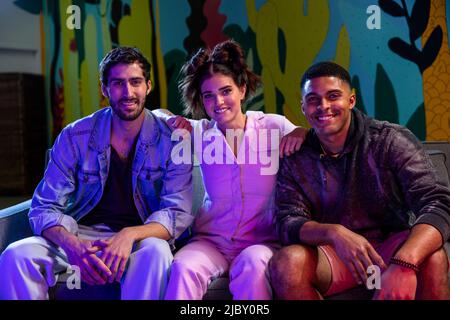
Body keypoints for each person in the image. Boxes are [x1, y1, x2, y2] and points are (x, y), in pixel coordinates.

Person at [0, 47, 193, 300]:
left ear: (148, 85)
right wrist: (73, 245)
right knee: (16, 255)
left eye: (135, 82)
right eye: (117, 83)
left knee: (156, 252)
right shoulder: (75, 136)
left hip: (140, 240)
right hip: (82, 235)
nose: (128, 93)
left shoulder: (173, 139)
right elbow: (43, 208)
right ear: (104, 88)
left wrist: (129, 234)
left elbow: (176, 214)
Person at [269, 61, 450, 300]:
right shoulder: (296, 155)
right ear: (303, 107)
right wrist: (334, 233)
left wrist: (404, 262)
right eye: (313, 99)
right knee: (287, 262)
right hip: (333, 257)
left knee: (434, 257)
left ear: (351, 101)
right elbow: (287, 221)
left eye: (333, 96)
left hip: (391, 248)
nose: (324, 106)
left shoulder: (390, 140)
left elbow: (438, 203)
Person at [158, 40, 307, 300]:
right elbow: (156, 114)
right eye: (208, 96)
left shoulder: (273, 126)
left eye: (226, 91)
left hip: (260, 242)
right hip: (210, 242)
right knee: (182, 268)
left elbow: (309, 136)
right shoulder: (200, 132)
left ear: (242, 89)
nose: (218, 102)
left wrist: (301, 132)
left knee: (254, 266)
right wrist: (171, 118)